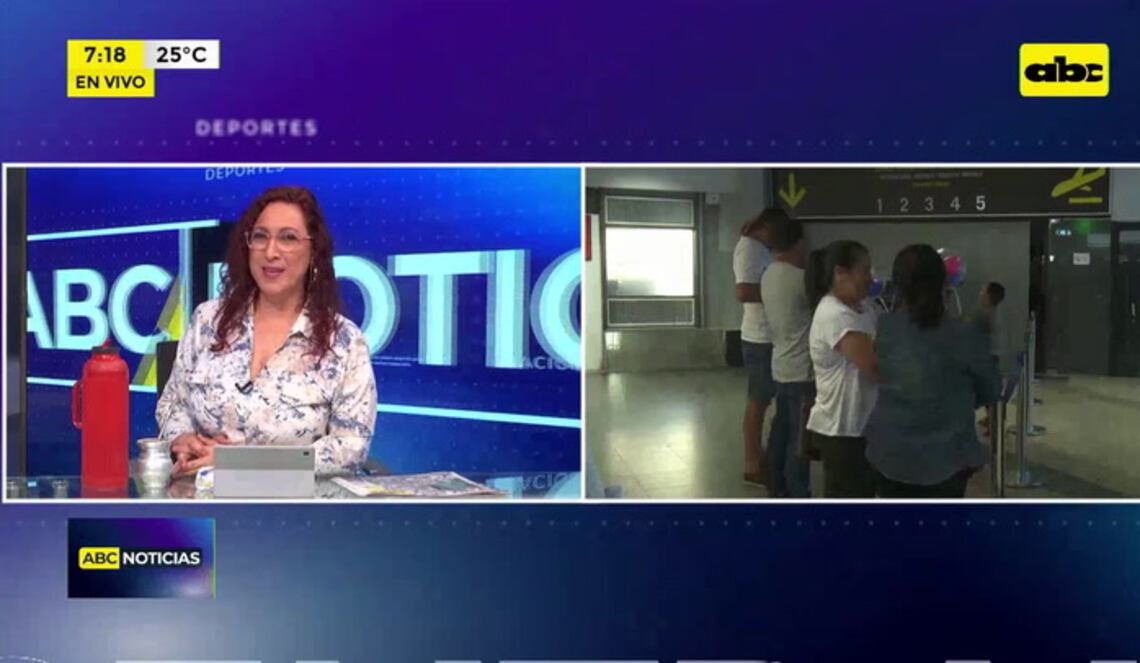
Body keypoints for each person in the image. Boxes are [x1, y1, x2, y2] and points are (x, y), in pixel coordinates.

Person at [157, 185, 378, 478]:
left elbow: (350, 448)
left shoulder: (344, 342)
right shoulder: (207, 320)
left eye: (288, 238)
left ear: (313, 251)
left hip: (291, 501)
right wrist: (182, 438)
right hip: (201, 493)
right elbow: (173, 404)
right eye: (261, 237)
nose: (271, 252)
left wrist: (241, 461)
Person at [865, 245, 1001, 498]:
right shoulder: (965, 333)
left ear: (897, 285)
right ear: (944, 282)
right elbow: (991, 389)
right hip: (947, 458)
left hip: (888, 453)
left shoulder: (884, 328)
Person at [805, 240, 879, 498]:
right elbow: (874, 366)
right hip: (842, 429)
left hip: (863, 424)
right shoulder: (834, 314)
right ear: (840, 273)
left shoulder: (865, 308)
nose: (870, 278)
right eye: (864, 271)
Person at [759, 215, 812, 497]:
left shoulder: (768, 274)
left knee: (780, 433)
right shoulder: (800, 279)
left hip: (780, 366)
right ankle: (798, 495)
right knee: (798, 440)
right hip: (802, 371)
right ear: (798, 243)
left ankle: (776, 488)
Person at [733, 209, 780, 486]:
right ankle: (752, 464)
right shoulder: (749, 248)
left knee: (761, 400)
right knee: (758, 401)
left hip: (766, 335)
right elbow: (743, 291)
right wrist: (778, 290)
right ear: (765, 228)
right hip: (759, 338)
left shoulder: (759, 247)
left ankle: (759, 457)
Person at [969, 281, 1006, 371]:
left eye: (983, 291)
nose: (980, 294)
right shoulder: (992, 312)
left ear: (988, 296)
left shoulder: (988, 316)